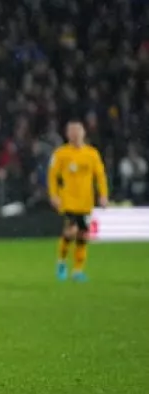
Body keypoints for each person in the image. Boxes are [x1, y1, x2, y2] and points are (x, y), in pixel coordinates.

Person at [47, 120, 109, 282]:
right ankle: (61, 262)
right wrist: (54, 195)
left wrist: (103, 195)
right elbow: (52, 176)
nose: (75, 134)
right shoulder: (61, 154)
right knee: (71, 230)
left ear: (83, 133)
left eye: (78, 131)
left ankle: (77, 270)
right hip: (68, 200)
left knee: (83, 235)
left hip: (85, 202)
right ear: (67, 134)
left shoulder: (92, 154)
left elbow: (100, 176)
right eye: (72, 131)